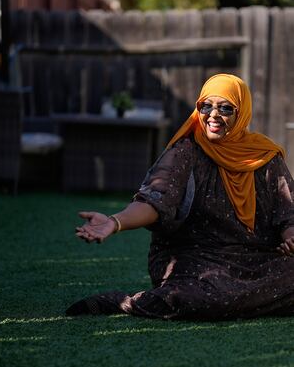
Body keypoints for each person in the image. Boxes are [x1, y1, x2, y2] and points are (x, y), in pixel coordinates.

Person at [67, 73, 294, 320]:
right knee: (210, 297)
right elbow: (155, 201)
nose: (213, 115)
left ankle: (240, 301)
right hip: (195, 259)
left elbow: (288, 214)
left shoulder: (265, 157)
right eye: (206, 106)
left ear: (242, 113)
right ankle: (125, 302)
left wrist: (291, 238)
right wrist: (115, 222)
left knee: (232, 294)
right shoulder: (185, 152)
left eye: (226, 108)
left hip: (256, 259)